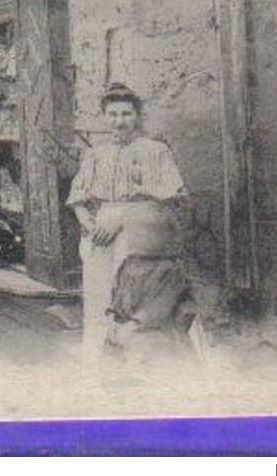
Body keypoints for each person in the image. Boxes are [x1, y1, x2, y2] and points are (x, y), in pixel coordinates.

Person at [66, 82, 191, 362]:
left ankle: (134, 356)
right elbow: (78, 199)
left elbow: (172, 199)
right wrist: (89, 225)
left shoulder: (155, 151)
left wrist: (123, 219)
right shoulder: (95, 154)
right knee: (99, 295)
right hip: (100, 230)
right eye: (112, 114)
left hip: (143, 229)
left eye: (126, 114)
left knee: (133, 296)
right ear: (104, 117)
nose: (119, 121)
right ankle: (97, 357)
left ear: (137, 116)